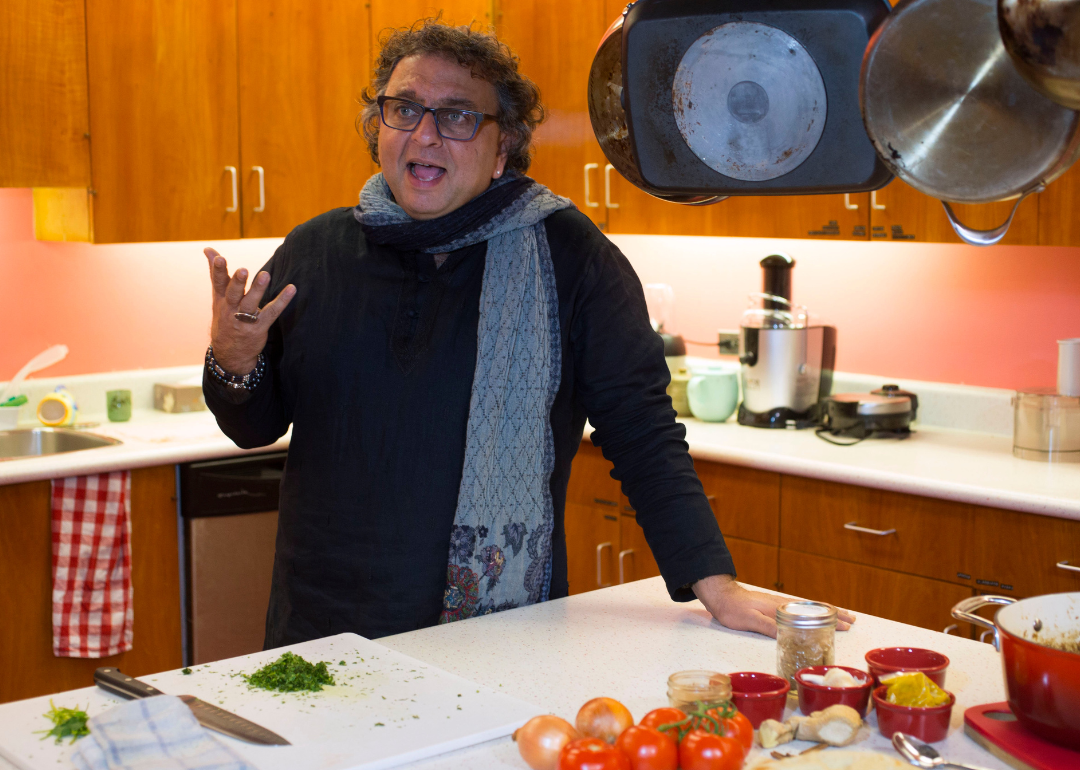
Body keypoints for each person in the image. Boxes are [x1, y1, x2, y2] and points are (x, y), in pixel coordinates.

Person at [202, 20, 854, 647]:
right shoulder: (314, 253)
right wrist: (233, 361)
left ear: (502, 145)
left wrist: (715, 585)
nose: (425, 136)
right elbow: (252, 426)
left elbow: (642, 430)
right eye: (404, 109)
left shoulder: (571, 258)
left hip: (500, 630)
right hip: (323, 624)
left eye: (457, 116)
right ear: (380, 125)